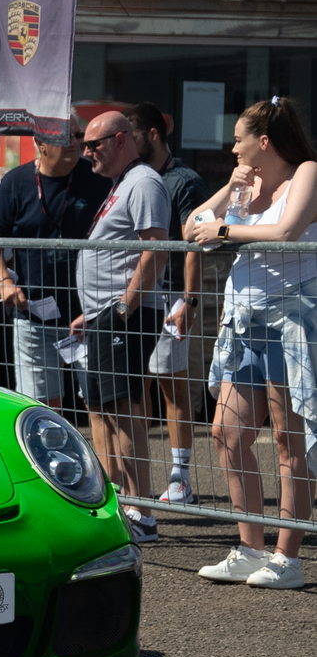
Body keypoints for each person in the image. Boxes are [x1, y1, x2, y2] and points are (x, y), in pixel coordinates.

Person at [188, 95, 317, 589]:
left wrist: (222, 228)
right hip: (244, 322)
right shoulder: (244, 182)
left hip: (293, 321)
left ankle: (287, 557)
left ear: (264, 141)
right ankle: (249, 547)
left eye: (239, 138)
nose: (233, 147)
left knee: (289, 440)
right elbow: (191, 227)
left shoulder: (306, 170)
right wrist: (227, 190)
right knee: (226, 432)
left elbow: (286, 231)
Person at [71, 112, 172, 543]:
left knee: (125, 411)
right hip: (104, 317)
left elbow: (156, 248)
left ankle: (141, 510)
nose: (87, 153)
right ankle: (117, 501)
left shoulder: (144, 181)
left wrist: (124, 307)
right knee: (103, 410)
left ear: (119, 140)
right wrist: (93, 312)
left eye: (94, 145)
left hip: (123, 317)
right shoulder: (121, 184)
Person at [0, 124, 109, 406]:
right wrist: (4, 281)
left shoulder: (98, 178)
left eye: (77, 136)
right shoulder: (16, 182)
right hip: (34, 317)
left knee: (102, 406)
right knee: (41, 410)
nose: (74, 143)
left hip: (89, 317)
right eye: (64, 137)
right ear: (41, 142)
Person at [127, 102, 210, 505]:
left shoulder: (184, 180)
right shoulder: (129, 178)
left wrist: (190, 302)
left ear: (153, 135)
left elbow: (193, 245)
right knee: (131, 389)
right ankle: (134, 479)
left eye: (132, 134)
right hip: (136, 295)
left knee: (172, 387)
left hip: (170, 297)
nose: (126, 142)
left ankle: (180, 479)